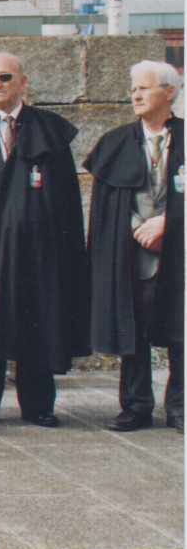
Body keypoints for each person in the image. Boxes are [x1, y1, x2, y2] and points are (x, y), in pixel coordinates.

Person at [0, 52, 89, 427]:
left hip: (37, 253)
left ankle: (38, 406)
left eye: (5, 77)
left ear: (23, 82)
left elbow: (65, 201)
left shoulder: (49, 130)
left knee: (37, 319)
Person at [85, 60, 183, 433]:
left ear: (169, 92)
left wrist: (170, 223)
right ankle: (135, 406)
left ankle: (180, 407)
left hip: (180, 257)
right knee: (133, 331)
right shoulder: (116, 142)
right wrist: (139, 227)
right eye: (133, 89)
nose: (136, 95)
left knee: (182, 334)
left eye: (144, 88)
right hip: (134, 255)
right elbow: (107, 203)